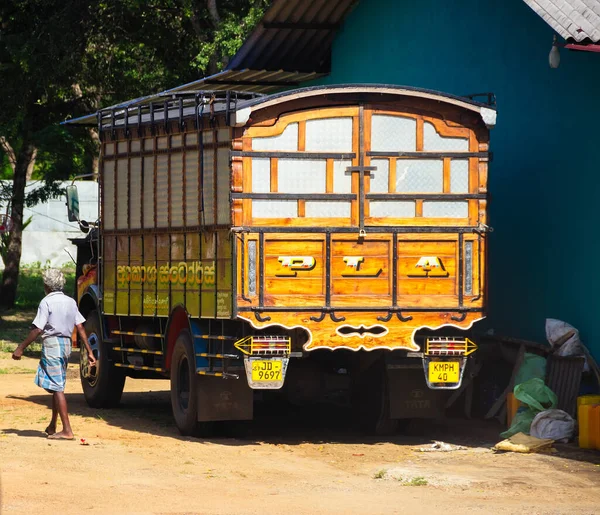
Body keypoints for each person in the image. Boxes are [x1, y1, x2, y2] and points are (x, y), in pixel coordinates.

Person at [12, 268, 97, 440]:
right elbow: (80, 326)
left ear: (46, 285)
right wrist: (89, 351)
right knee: (57, 385)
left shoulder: (46, 302)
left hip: (52, 345)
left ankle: (67, 430)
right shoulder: (70, 301)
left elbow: (38, 329)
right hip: (66, 346)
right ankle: (53, 425)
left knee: (57, 388)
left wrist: (21, 348)